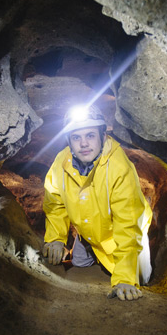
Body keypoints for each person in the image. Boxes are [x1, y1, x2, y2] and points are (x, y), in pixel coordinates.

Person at [41, 104, 152, 301]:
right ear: (69, 141)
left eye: (90, 135)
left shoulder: (119, 168)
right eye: (76, 137)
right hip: (88, 228)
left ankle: (113, 258)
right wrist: (55, 238)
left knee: (141, 278)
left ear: (103, 136)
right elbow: (55, 203)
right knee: (80, 264)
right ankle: (88, 244)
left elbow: (127, 225)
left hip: (119, 233)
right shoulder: (62, 161)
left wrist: (125, 278)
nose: (83, 143)